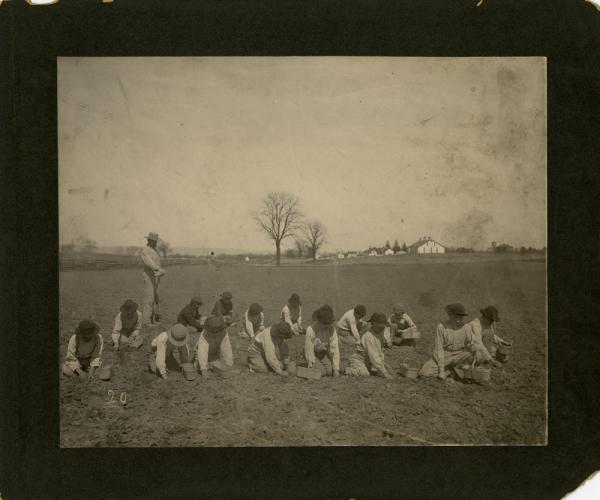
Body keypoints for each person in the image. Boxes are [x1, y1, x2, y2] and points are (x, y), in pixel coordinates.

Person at [418, 303, 475, 380]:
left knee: (475, 355)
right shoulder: (441, 327)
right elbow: (439, 349)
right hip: (444, 355)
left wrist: (476, 350)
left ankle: (456, 368)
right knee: (423, 373)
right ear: (450, 315)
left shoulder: (466, 327)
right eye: (455, 317)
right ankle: (449, 371)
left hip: (459, 355)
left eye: (460, 317)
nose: (458, 320)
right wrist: (441, 369)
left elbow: (472, 343)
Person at [344, 313, 394, 379]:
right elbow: (374, 356)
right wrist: (384, 372)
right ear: (373, 324)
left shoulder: (379, 335)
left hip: (368, 361)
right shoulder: (369, 336)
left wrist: (383, 364)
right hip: (358, 360)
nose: (382, 328)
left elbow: (380, 352)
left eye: (383, 327)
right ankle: (349, 370)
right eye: (380, 326)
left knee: (384, 369)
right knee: (365, 374)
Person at [304, 305, 340, 377]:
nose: (327, 325)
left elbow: (334, 349)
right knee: (321, 372)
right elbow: (309, 349)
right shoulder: (310, 330)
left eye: (329, 323)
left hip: (323, 354)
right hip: (312, 353)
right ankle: (306, 366)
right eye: (324, 323)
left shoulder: (332, 330)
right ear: (318, 320)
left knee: (329, 372)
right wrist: (310, 365)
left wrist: (335, 368)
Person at [140, 232, 165, 326]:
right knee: (149, 298)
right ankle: (146, 321)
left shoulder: (155, 251)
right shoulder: (145, 251)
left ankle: (152, 319)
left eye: (155, 241)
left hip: (156, 277)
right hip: (149, 276)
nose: (155, 243)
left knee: (155, 299)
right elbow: (149, 263)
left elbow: (157, 263)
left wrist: (160, 272)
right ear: (148, 240)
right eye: (153, 241)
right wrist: (159, 269)